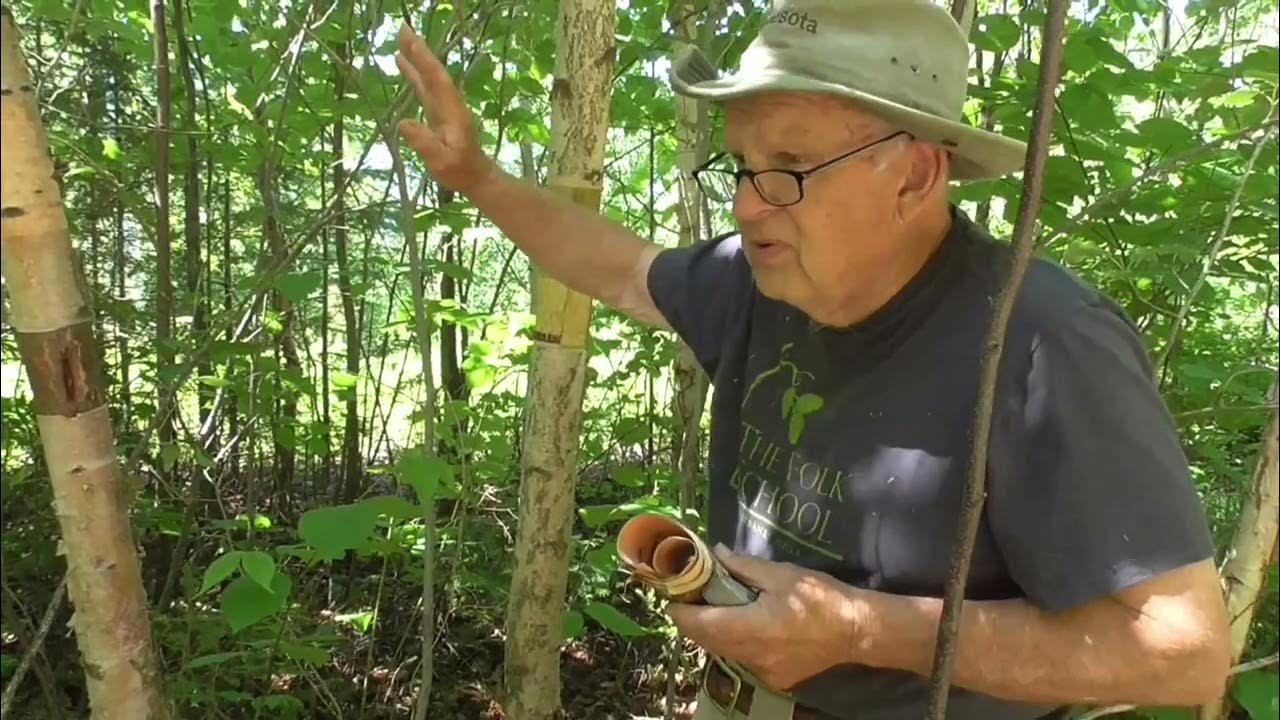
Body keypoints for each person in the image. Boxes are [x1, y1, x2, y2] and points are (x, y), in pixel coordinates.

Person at [392, 0, 1233, 717]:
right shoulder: (757, 280)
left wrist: (860, 629)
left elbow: (1183, 654)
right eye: (742, 166)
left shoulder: (1041, 342)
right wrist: (478, 178)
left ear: (915, 176)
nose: (747, 204)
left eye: (790, 168)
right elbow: (618, 268)